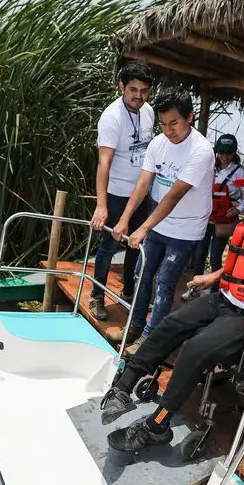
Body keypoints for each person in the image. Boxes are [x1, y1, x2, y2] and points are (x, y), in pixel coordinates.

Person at [101, 164, 244, 452]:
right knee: (170, 324)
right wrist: (213, 277)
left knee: (194, 349)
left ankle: (157, 426)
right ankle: (123, 387)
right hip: (226, 299)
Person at [109, 88, 215, 350]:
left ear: (189, 117)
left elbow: (174, 195)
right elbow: (143, 183)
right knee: (141, 273)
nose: (168, 131)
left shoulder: (201, 150)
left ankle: (149, 338)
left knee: (165, 282)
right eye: (163, 124)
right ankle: (134, 326)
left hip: (186, 226)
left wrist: (143, 228)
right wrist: (125, 219)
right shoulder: (158, 143)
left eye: (174, 123)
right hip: (159, 220)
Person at [89, 60, 156, 320]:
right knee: (108, 246)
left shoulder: (148, 111)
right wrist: (102, 205)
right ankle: (97, 296)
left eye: (144, 91)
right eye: (133, 90)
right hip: (117, 192)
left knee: (135, 244)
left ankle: (129, 293)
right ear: (121, 87)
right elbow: (104, 162)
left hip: (141, 194)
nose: (139, 96)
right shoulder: (112, 117)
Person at [190, 133, 244, 285]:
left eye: (229, 153)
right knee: (199, 254)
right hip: (206, 217)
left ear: (234, 153)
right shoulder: (210, 168)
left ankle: (215, 290)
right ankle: (195, 286)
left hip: (224, 220)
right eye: (221, 152)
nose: (224, 156)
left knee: (215, 257)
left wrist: (238, 210)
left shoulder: (239, 172)